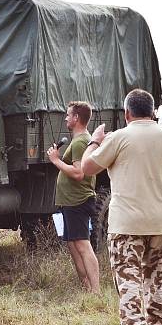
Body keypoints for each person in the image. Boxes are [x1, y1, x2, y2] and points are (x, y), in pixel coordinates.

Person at [81, 88, 162, 325]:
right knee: (157, 278)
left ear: (127, 113)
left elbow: (86, 168)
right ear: (154, 111)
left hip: (127, 224)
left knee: (128, 279)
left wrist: (95, 141)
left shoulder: (119, 137)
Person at [46, 101, 99, 293]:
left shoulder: (80, 142)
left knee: (83, 245)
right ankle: (86, 288)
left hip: (78, 200)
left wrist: (56, 160)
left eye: (68, 115)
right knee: (73, 245)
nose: (66, 118)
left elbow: (79, 173)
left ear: (76, 118)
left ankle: (96, 291)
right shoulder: (80, 140)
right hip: (70, 202)